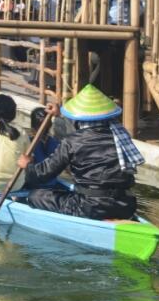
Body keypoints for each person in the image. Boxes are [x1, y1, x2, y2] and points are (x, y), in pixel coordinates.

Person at [16, 85, 144, 220]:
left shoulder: (72, 141)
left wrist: (28, 166)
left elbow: (42, 175)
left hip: (90, 207)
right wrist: (59, 114)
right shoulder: (121, 136)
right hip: (126, 205)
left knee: (35, 196)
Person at [24, 106, 62, 190]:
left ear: (32, 125)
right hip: (52, 184)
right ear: (50, 125)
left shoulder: (28, 142)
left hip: (34, 185)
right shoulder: (56, 143)